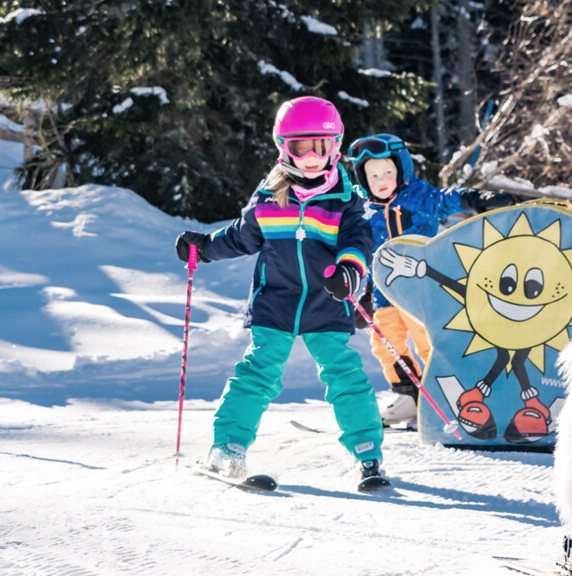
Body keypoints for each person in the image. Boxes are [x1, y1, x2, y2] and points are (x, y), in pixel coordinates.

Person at [174, 97, 389, 492]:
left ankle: (368, 454)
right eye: (300, 147)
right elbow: (242, 237)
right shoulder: (270, 194)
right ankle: (227, 449)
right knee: (258, 373)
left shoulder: (345, 198)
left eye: (320, 147)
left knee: (344, 374)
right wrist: (203, 247)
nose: (310, 157)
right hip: (276, 302)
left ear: (335, 147)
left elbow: (358, 241)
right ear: (283, 148)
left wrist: (349, 272)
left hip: (328, 301)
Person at [341, 134, 511, 427]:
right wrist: (364, 292)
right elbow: (362, 252)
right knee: (385, 344)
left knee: (427, 343)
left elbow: (446, 199)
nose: (381, 180)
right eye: (373, 175)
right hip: (384, 293)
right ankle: (409, 396)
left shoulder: (419, 197)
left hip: (422, 288)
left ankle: (447, 396)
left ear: (402, 171)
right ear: (362, 178)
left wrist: (473, 198)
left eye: (388, 172)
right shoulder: (363, 211)